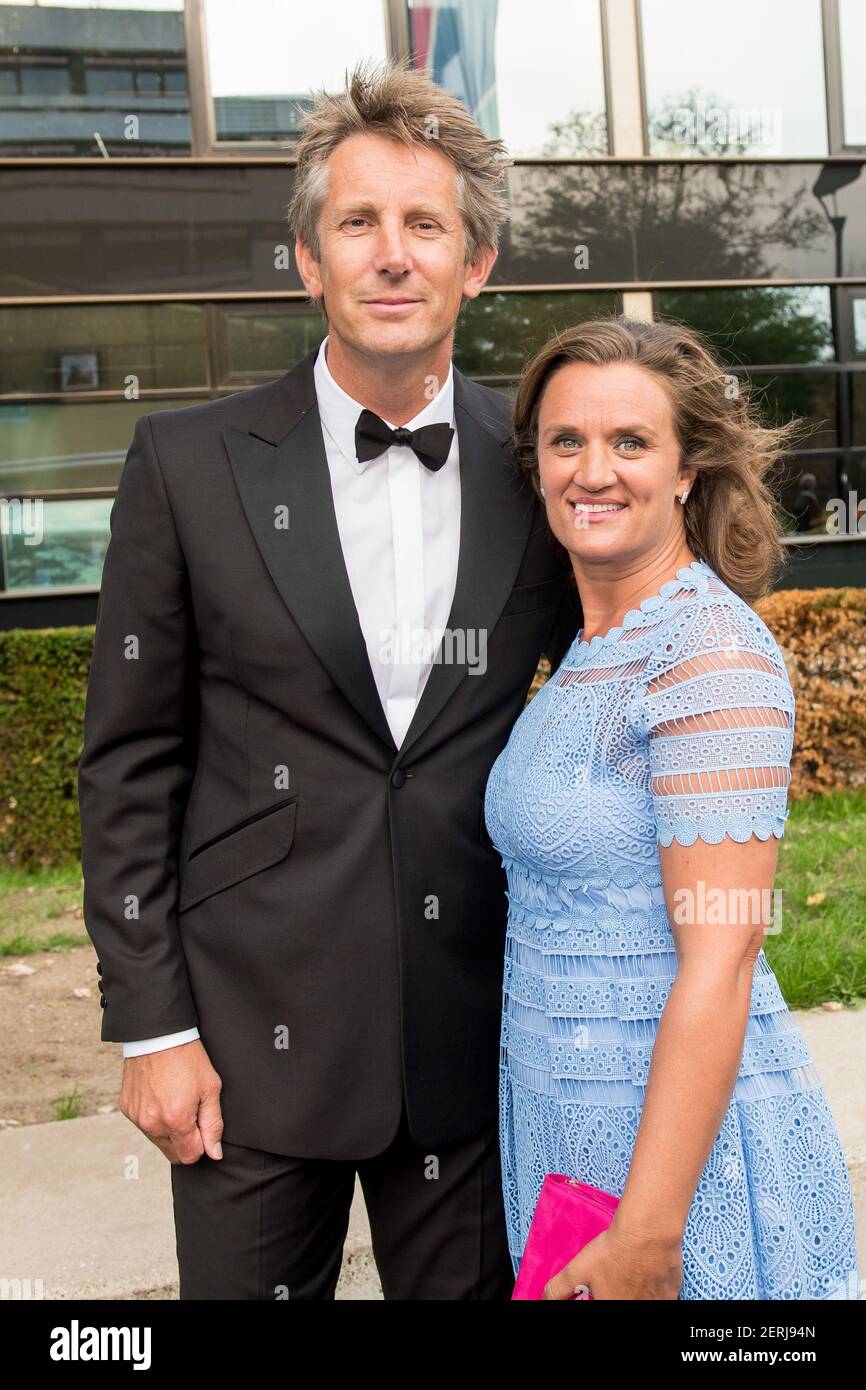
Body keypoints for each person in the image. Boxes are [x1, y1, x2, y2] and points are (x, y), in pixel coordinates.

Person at [77, 58, 580, 1300]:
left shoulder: (546, 465)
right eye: (358, 222)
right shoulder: (185, 461)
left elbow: (626, 679)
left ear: (478, 265)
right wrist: (154, 1027)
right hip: (246, 1054)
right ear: (308, 260)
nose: (391, 254)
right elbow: (129, 762)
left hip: (475, 1048)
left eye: (426, 225)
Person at [484, 316, 861, 1299]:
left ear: (687, 468)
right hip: (567, 1132)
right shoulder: (591, 642)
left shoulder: (705, 655)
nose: (592, 470)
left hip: (683, 1170)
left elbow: (721, 954)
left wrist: (650, 1231)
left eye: (630, 442)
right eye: (566, 440)